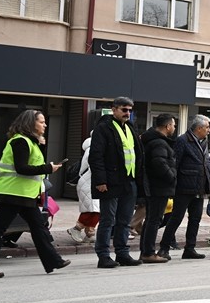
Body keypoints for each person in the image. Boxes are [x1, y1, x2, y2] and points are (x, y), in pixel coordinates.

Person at [0, 110, 70, 279]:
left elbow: (33, 164)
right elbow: (22, 168)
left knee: (38, 227)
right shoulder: (20, 141)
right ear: (30, 123)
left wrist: (42, 147)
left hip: (23, 193)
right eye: (41, 122)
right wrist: (48, 168)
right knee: (0, 230)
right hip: (13, 193)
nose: (45, 125)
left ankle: (53, 260)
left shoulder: (30, 142)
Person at [89, 97, 144, 268]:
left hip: (129, 180)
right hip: (111, 181)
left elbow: (136, 153)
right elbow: (96, 156)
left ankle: (122, 253)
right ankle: (103, 255)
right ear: (114, 109)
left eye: (130, 110)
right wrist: (100, 180)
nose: (127, 113)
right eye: (124, 110)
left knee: (125, 220)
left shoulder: (129, 127)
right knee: (108, 220)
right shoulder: (103, 128)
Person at [159, 114, 210, 260]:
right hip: (184, 187)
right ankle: (164, 248)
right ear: (199, 128)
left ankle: (190, 248)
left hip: (199, 187)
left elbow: (206, 162)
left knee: (195, 219)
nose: (209, 130)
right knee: (176, 218)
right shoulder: (183, 140)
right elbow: (175, 163)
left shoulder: (204, 141)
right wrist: (173, 185)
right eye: (207, 127)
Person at [138, 113, 177, 263]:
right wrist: (172, 175)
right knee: (154, 220)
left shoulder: (152, 140)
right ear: (167, 126)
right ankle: (148, 253)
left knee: (150, 220)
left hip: (153, 186)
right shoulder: (159, 143)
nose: (174, 128)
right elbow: (159, 163)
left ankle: (145, 251)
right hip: (159, 187)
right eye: (173, 125)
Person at [68, 137, 98, 243]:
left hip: (91, 182)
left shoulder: (94, 148)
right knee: (93, 209)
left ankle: (90, 233)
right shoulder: (93, 149)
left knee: (95, 208)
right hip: (89, 183)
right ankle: (77, 228)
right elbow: (97, 166)